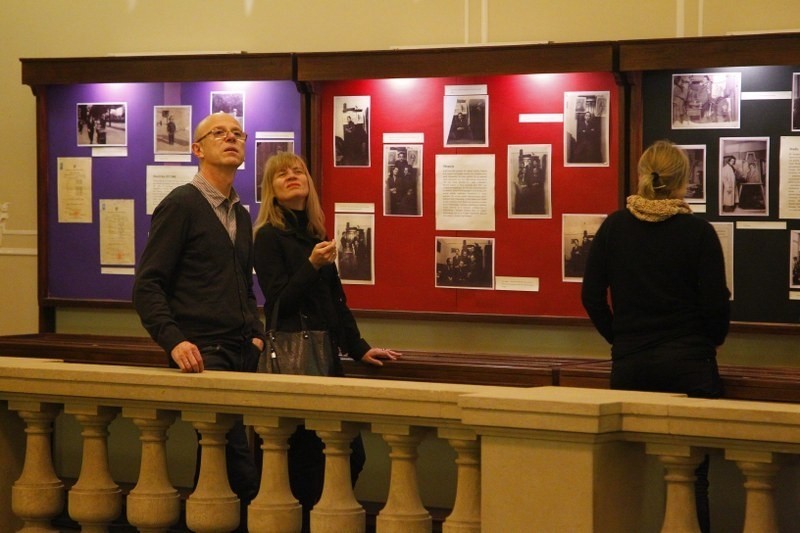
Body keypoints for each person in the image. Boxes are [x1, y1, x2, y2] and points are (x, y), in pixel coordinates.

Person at [581, 140, 730, 533]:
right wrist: (708, 341)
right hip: (689, 364)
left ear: (642, 174)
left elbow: (591, 295)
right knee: (692, 474)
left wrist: (620, 338)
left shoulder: (614, 226)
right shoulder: (697, 232)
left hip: (631, 364)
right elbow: (716, 303)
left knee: (625, 471)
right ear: (686, 180)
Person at [252, 151, 400, 531]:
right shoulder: (268, 236)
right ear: (271, 188)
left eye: (297, 170)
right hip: (293, 363)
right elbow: (279, 303)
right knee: (304, 460)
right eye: (281, 174)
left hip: (326, 360)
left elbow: (335, 302)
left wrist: (360, 347)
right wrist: (311, 266)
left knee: (349, 454)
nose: (291, 177)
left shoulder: (315, 233)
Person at [132, 112, 264, 526]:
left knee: (218, 465)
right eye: (219, 133)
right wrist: (174, 341)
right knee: (235, 464)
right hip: (203, 352)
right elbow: (148, 286)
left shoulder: (240, 214)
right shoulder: (181, 205)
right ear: (198, 148)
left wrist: (256, 333)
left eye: (238, 134)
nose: (231, 139)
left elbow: (243, 284)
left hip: (242, 351)